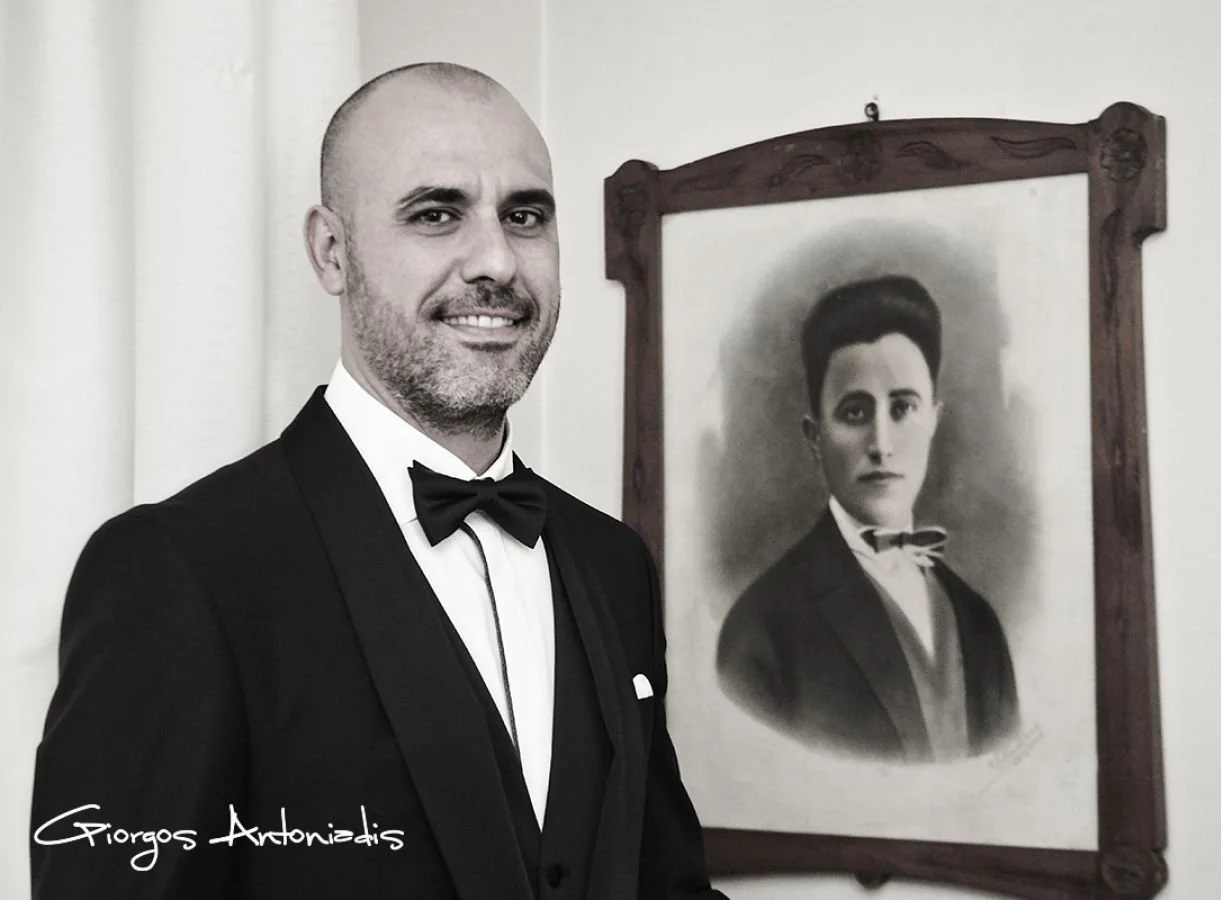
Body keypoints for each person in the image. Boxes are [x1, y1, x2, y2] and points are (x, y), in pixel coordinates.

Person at [31, 63, 726, 900]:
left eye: (526, 215)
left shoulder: (614, 563)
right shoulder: (177, 571)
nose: (498, 261)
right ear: (332, 252)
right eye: (437, 214)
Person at [715, 275, 1018, 762]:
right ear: (815, 437)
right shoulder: (760, 632)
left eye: (903, 408)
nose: (881, 443)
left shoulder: (979, 623)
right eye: (855, 412)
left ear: (934, 420)